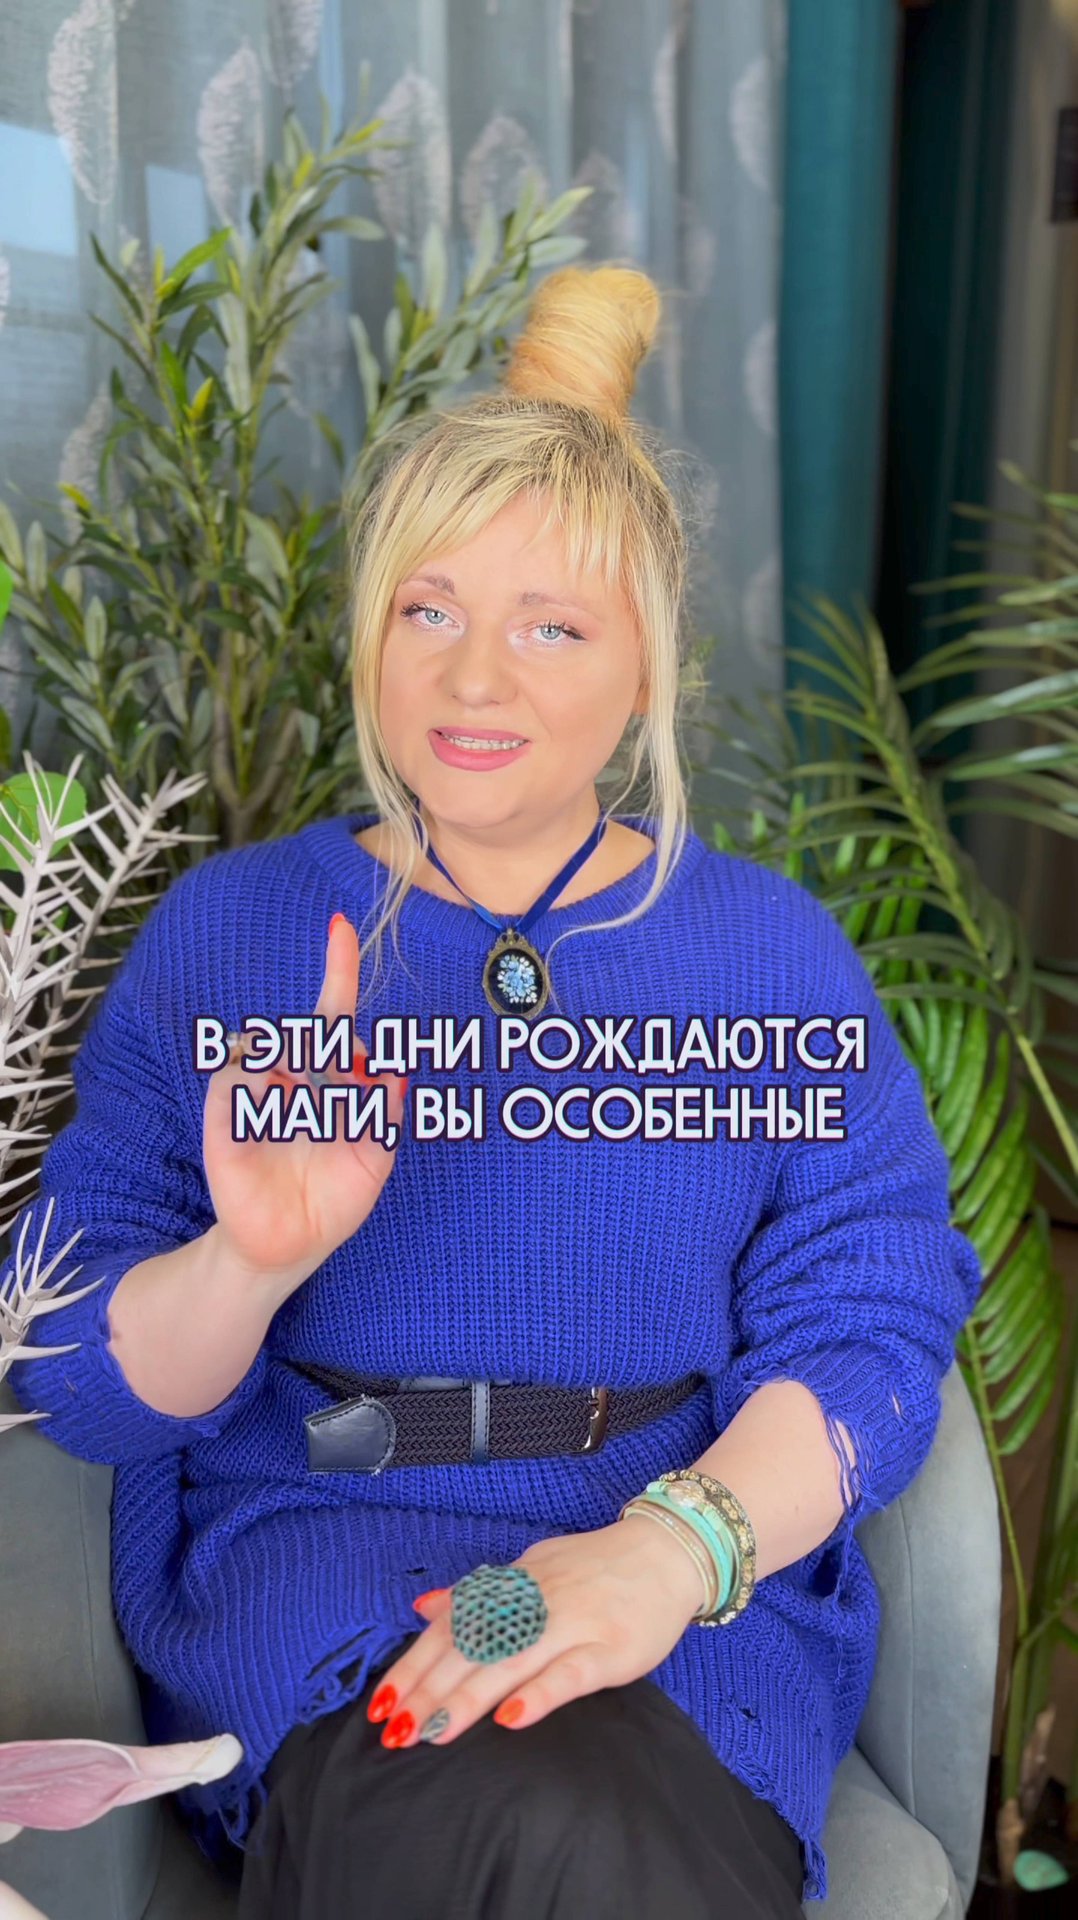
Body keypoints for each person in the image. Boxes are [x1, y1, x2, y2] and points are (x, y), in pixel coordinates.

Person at [8, 264, 982, 1918]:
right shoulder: (236, 933)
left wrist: (663, 1558)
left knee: (600, 1814)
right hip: (320, 1571)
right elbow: (79, 1385)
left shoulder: (765, 955)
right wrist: (245, 1262)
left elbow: (872, 1326)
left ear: (642, 669)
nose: (474, 679)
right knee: (523, 1807)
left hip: (682, 1575)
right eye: (429, 610)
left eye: (551, 626)